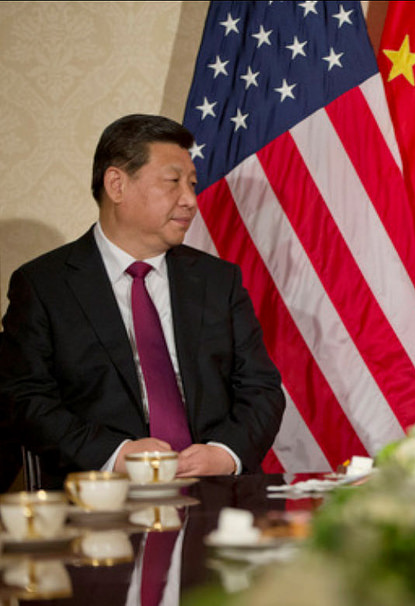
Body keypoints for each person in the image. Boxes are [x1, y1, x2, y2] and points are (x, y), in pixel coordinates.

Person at [0, 114, 285, 487]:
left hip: (216, 491)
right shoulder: (44, 285)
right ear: (117, 185)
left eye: (192, 184)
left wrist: (225, 453)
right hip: (101, 495)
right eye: (173, 182)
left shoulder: (218, 281)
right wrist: (116, 455)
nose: (190, 200)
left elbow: (261, 389)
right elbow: (25, 399)